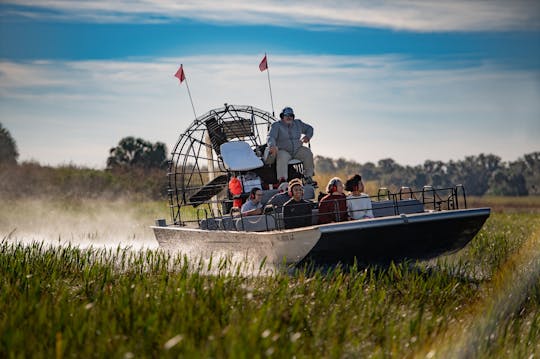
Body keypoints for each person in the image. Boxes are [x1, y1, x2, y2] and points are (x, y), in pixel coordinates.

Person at [266, 107, 315, 182]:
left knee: (307, 153)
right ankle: (282, 180)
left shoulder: (298, 123)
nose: (289, 117)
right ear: (282, 116)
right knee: (281, 157)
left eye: (291, 115)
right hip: (284, 150)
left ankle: (308, 177)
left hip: (297, 150)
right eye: (286, 115)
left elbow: (310, 128)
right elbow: (271, 137)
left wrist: (307, 137)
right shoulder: (276, 125)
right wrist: (272, 146)